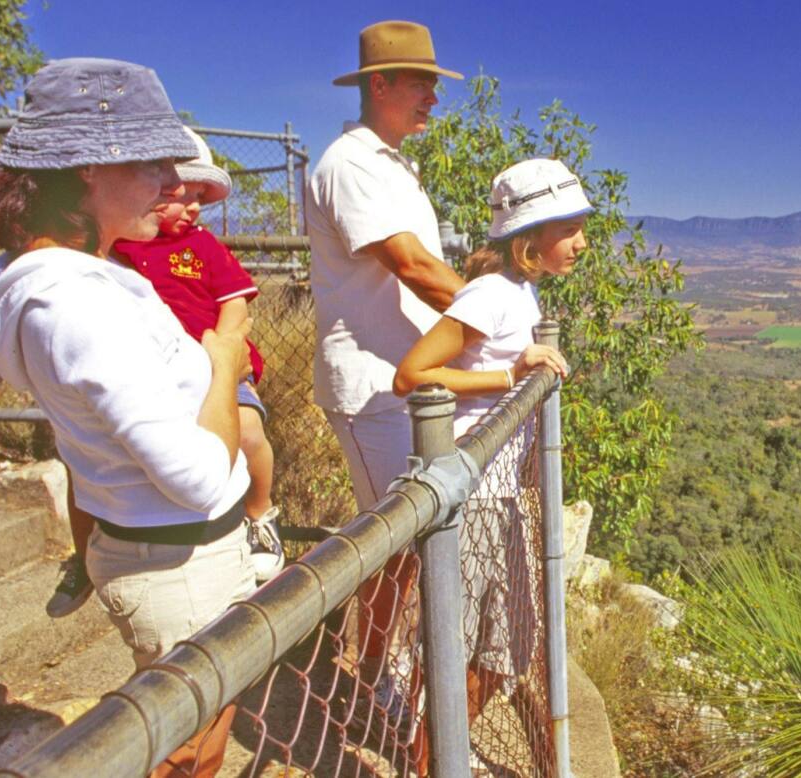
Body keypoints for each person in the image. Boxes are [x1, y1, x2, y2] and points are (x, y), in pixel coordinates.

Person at [0, 58, 254, 778]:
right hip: (178, 565)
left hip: (160, 553)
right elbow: (194, 477)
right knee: (187, 749)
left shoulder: (63, 280)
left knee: (196, 734)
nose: (173, 181)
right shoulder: (78, 304)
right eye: (152, 160)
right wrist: (223, 361)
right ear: (87, 169)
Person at [393, 157, 590, 757]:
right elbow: (413, 374)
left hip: (495, 491)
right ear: (531, 239)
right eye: (570, 229)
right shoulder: (489, 295)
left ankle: (443, 753)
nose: (582, 243)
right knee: (458, 651)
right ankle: (433, 760)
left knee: (502, 652)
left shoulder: (519, 291)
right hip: (469, 497)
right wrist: (511, 373)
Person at [305, 19, 465, 729]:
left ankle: (377, 660)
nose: (434, 96)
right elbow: (414, 267)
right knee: (394, 542)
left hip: (401, 378)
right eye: (423, 83)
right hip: (372, 383)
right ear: (381, 84)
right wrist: (495, 326)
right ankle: (370, 677)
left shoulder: (393, 164)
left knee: (406, 536)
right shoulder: (351, 163)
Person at [111, 126, 283, 584]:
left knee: (246, 431)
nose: (193, 208)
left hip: (220, 367)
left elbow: (235, 301)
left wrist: (224, 353)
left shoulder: (203, 245)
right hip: (160, 373)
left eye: (201, 200)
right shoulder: (123, 246)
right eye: (184, 195)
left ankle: (261, 514)